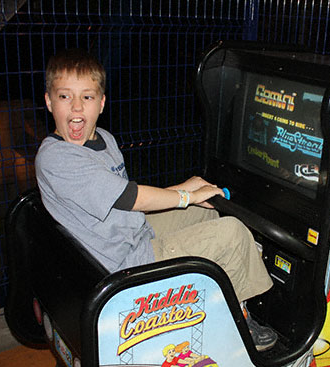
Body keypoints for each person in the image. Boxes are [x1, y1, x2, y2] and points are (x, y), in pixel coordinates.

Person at [34, 48, 277, 351]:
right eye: (64, 97)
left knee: (211, 214)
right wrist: (186, 195)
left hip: (131, 233)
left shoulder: (104, 140)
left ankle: (223, 298)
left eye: (87, 97)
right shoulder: (58, 157)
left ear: (101, 103)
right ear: (48, 101)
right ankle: (239, 322)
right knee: (232, 234)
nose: (76, 108)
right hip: (122, 262)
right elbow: (130, 197)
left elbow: (120, 198)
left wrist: (185, 189)